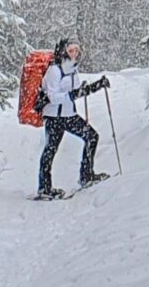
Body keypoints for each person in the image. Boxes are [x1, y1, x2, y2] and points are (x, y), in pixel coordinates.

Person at [37, 39, 110, 197]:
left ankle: (86, 176)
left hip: (69, 115)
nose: (74, 54)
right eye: (71, 50)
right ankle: (44, 189)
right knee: (50, 151)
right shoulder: (54, 71)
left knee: (92, 136)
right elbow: (53, 97)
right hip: (54, 117)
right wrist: (74, 94)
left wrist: (97, 85)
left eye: (77, 50)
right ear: (63, 51)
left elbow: (77, 92)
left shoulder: (72, 70)